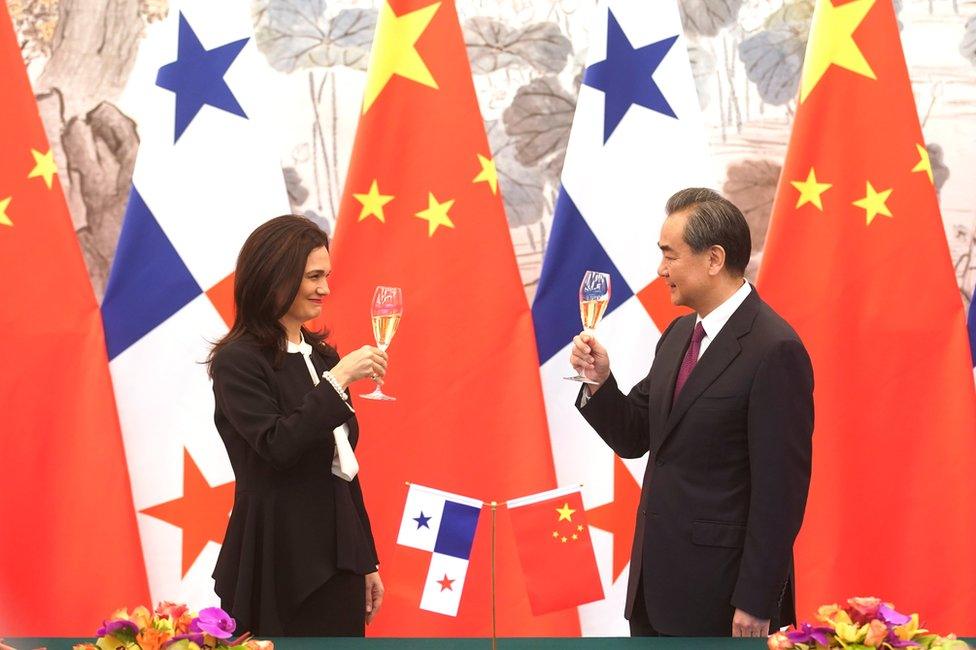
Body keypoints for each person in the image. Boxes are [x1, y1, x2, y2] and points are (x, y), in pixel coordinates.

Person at [570, 188, 814, 637]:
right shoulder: (680, 335)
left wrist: (758, 602)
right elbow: (635, 435)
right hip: (654, 591)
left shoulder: (775, 349)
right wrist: (599, 382)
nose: (660, 270)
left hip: (726, 603)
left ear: (714, 259)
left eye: (670, 255)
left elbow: (780, 495)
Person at [207, 215, 388, 636]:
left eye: (326, 275)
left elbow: (343, 471)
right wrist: (339, 380)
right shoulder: (238, 361)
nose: (325, 288)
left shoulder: (322, 355)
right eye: (314, 276)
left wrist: (367, 559)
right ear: (275, 276)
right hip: (277, 556)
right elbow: (276, 446)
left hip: (339, 557)